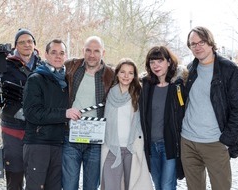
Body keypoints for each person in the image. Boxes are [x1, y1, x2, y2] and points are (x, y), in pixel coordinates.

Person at [181, 26, 238, 190]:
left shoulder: (228, 69)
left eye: (202, 42)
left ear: (211, 43)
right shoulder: (190, 70)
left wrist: (226, 140)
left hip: (215, 143)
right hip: (188, 142)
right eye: (193, 44)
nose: (198, 47)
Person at [0, 28, 41, 190]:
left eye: (30, 41)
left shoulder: (43, 65)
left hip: (37, 128)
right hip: (12, 126)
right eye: (22, 42)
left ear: (35, 44)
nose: (27, 45)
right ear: (16, 45)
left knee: (36, 174)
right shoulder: (5, 64)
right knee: (14, 171)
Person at [22, 39, 81, 190]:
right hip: (38, 143)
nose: (58, 56)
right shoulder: (36, 79)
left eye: (61, 53)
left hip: (58, 143)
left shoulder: (65, 81)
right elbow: (32, 113)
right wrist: (65, 114)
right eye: (53, 52)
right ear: (46, 55)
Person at [62, 36, 115, 190]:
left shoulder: (111, 75)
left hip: (96, 141)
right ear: (83, 51)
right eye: (88, 50)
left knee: (91, 186)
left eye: (96, 51)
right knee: (69, 185)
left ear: (103, 52)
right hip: (71, 136)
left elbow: (128, 87)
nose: (92, 55)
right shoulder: (71, 68)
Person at [100, 58, 153, 190]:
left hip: (132, 147)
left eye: (130, 73)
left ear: (134, 75)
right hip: (111, 147)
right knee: (111, 186)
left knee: (133, 185)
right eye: (123, 72)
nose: (126, 76)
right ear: (117, 73)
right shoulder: (109, 93)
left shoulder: (139, 93)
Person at [139, 46, 186, 190]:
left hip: (169, 145)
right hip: (151, 146)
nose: (156, 65)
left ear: (169, 62)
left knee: (167, 186)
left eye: (160, 61)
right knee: (158, 185)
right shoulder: (146, 86)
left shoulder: (177, 87)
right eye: (152, 62)